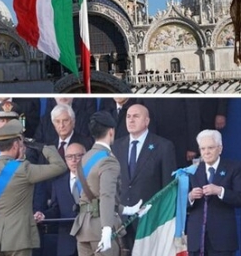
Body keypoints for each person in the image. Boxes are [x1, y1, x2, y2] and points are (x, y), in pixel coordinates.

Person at [0, 120, 67, 256]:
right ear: (16, 145)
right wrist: (41, 146)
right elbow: (60, 166)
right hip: (19, 241)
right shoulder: (24, 169)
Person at [70, 112, 145, 256]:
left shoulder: (84, 158)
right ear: (111, 131)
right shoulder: (108, 160)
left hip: (83, 227)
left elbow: (92, 197)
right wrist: (106, 229)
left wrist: (127, 210)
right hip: (101, 229)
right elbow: (106, 195)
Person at [111, 104, 176, 250]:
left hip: (150, 220)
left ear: (147, 121)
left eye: (136, 116)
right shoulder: (116, 146)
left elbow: (168, 187)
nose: (131, 120)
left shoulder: (163, 146)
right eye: (128, 116)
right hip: (121, 220)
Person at [187, 130, 241, 256]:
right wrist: (190, 197)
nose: (206, 152)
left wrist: (220, 191)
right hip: (196, 240)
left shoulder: (234, 168)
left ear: (220, 149)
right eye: (203, 148)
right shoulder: (192, 171)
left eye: (210, 147)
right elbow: (179, 203)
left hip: (222, 240)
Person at [41, 143, 87, 256]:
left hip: (89, 239)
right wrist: (43, 215)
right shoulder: (58, 184)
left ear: (86, 156)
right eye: (69, 157)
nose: (74, 160)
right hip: (67, 242)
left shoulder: (93, 179)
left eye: (78, 156)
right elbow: (55, 210)